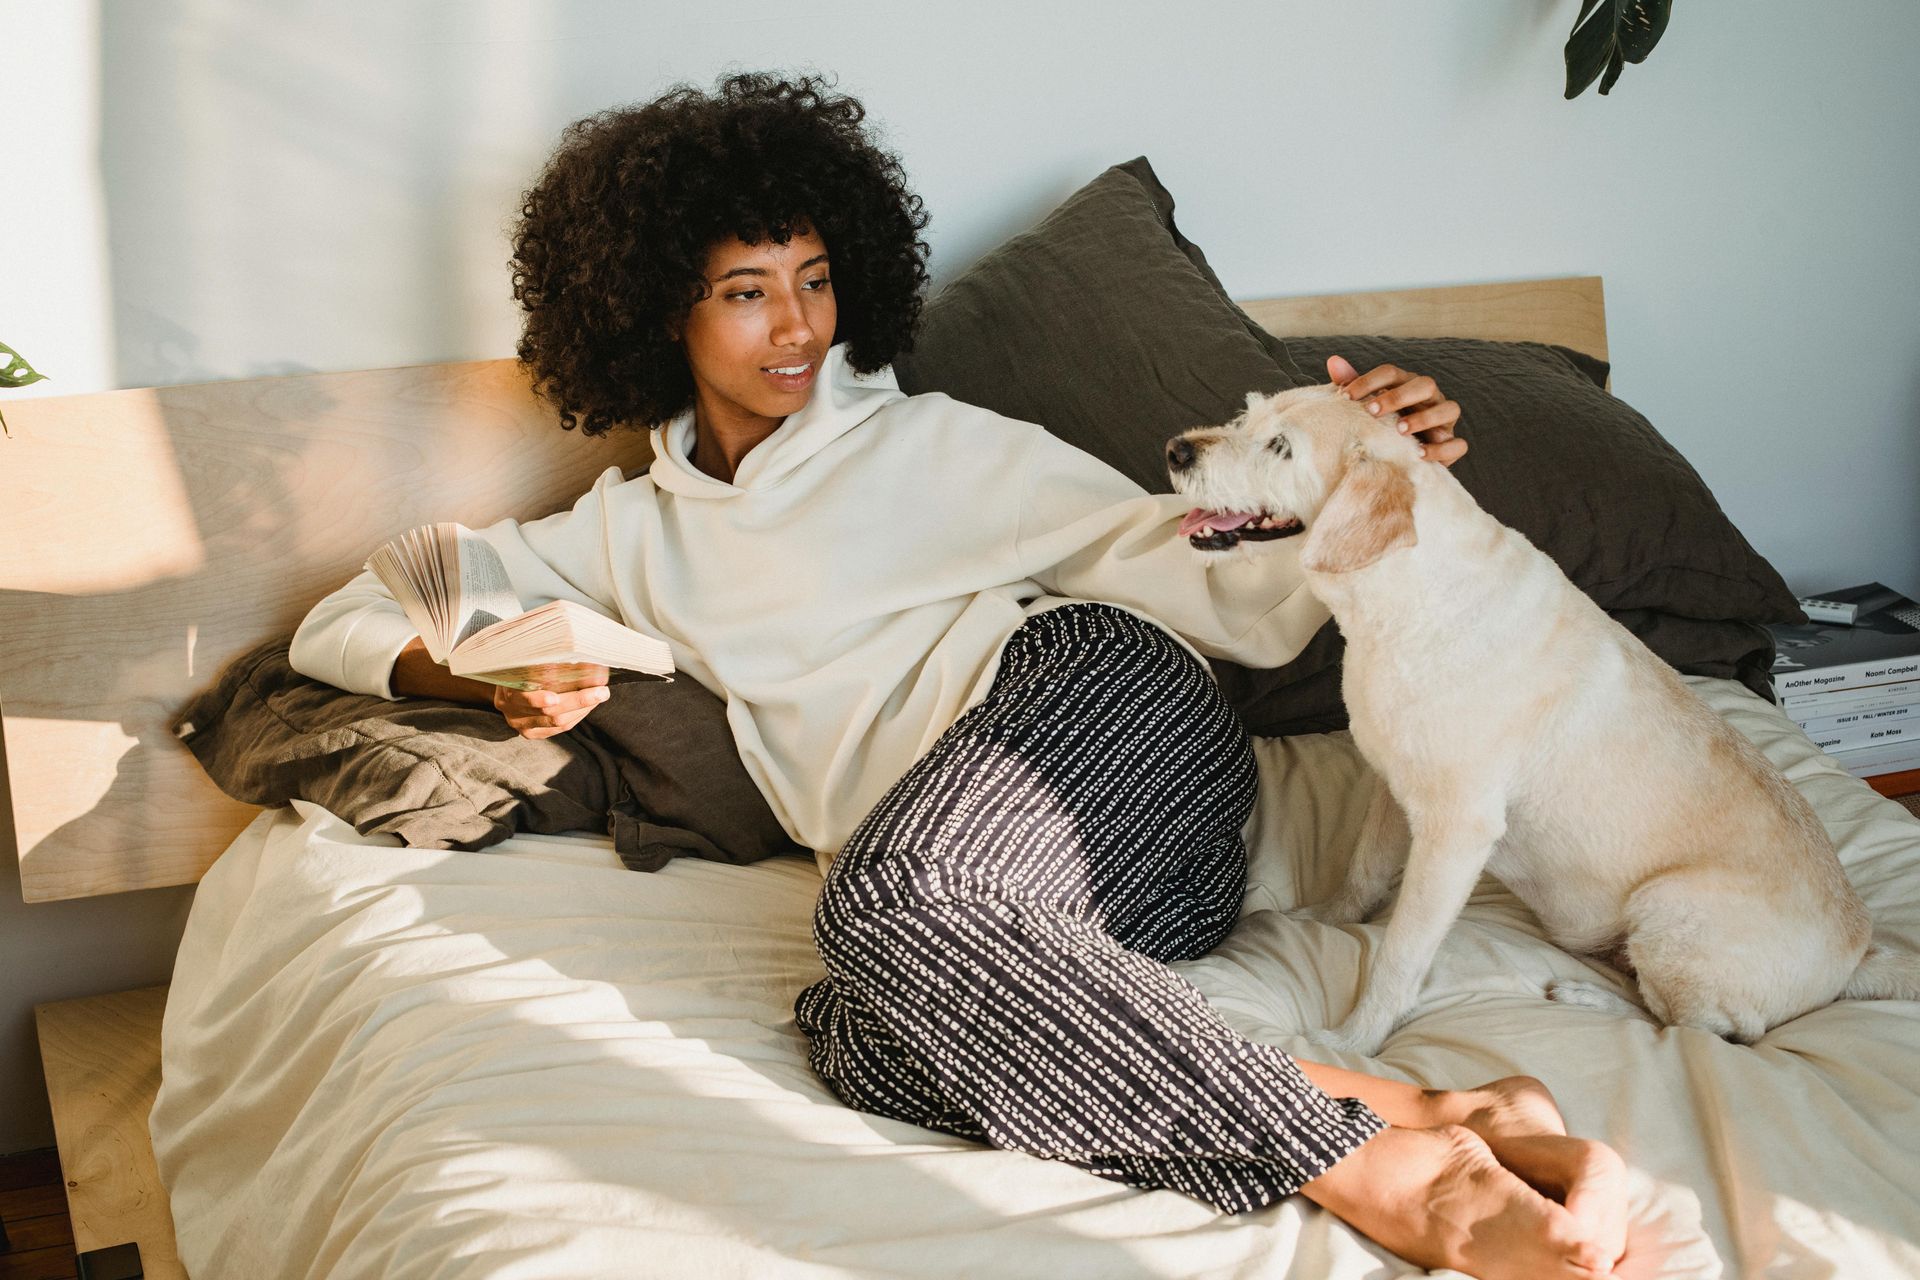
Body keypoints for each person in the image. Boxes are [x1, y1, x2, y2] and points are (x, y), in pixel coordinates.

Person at [291, 73, 1629, 1278]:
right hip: (1007, 914)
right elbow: (343, 620)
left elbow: (1237, 601)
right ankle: (1424, 1108)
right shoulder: (616, 539)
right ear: (655, 310)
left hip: (1108, 716)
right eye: (748, 289)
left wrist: (1373, 472)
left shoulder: (935, 449)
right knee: (861, 1032)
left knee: (880, 907)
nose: (798, 324)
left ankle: (1399, 1181)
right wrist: (470, 676)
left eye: (815, 278)